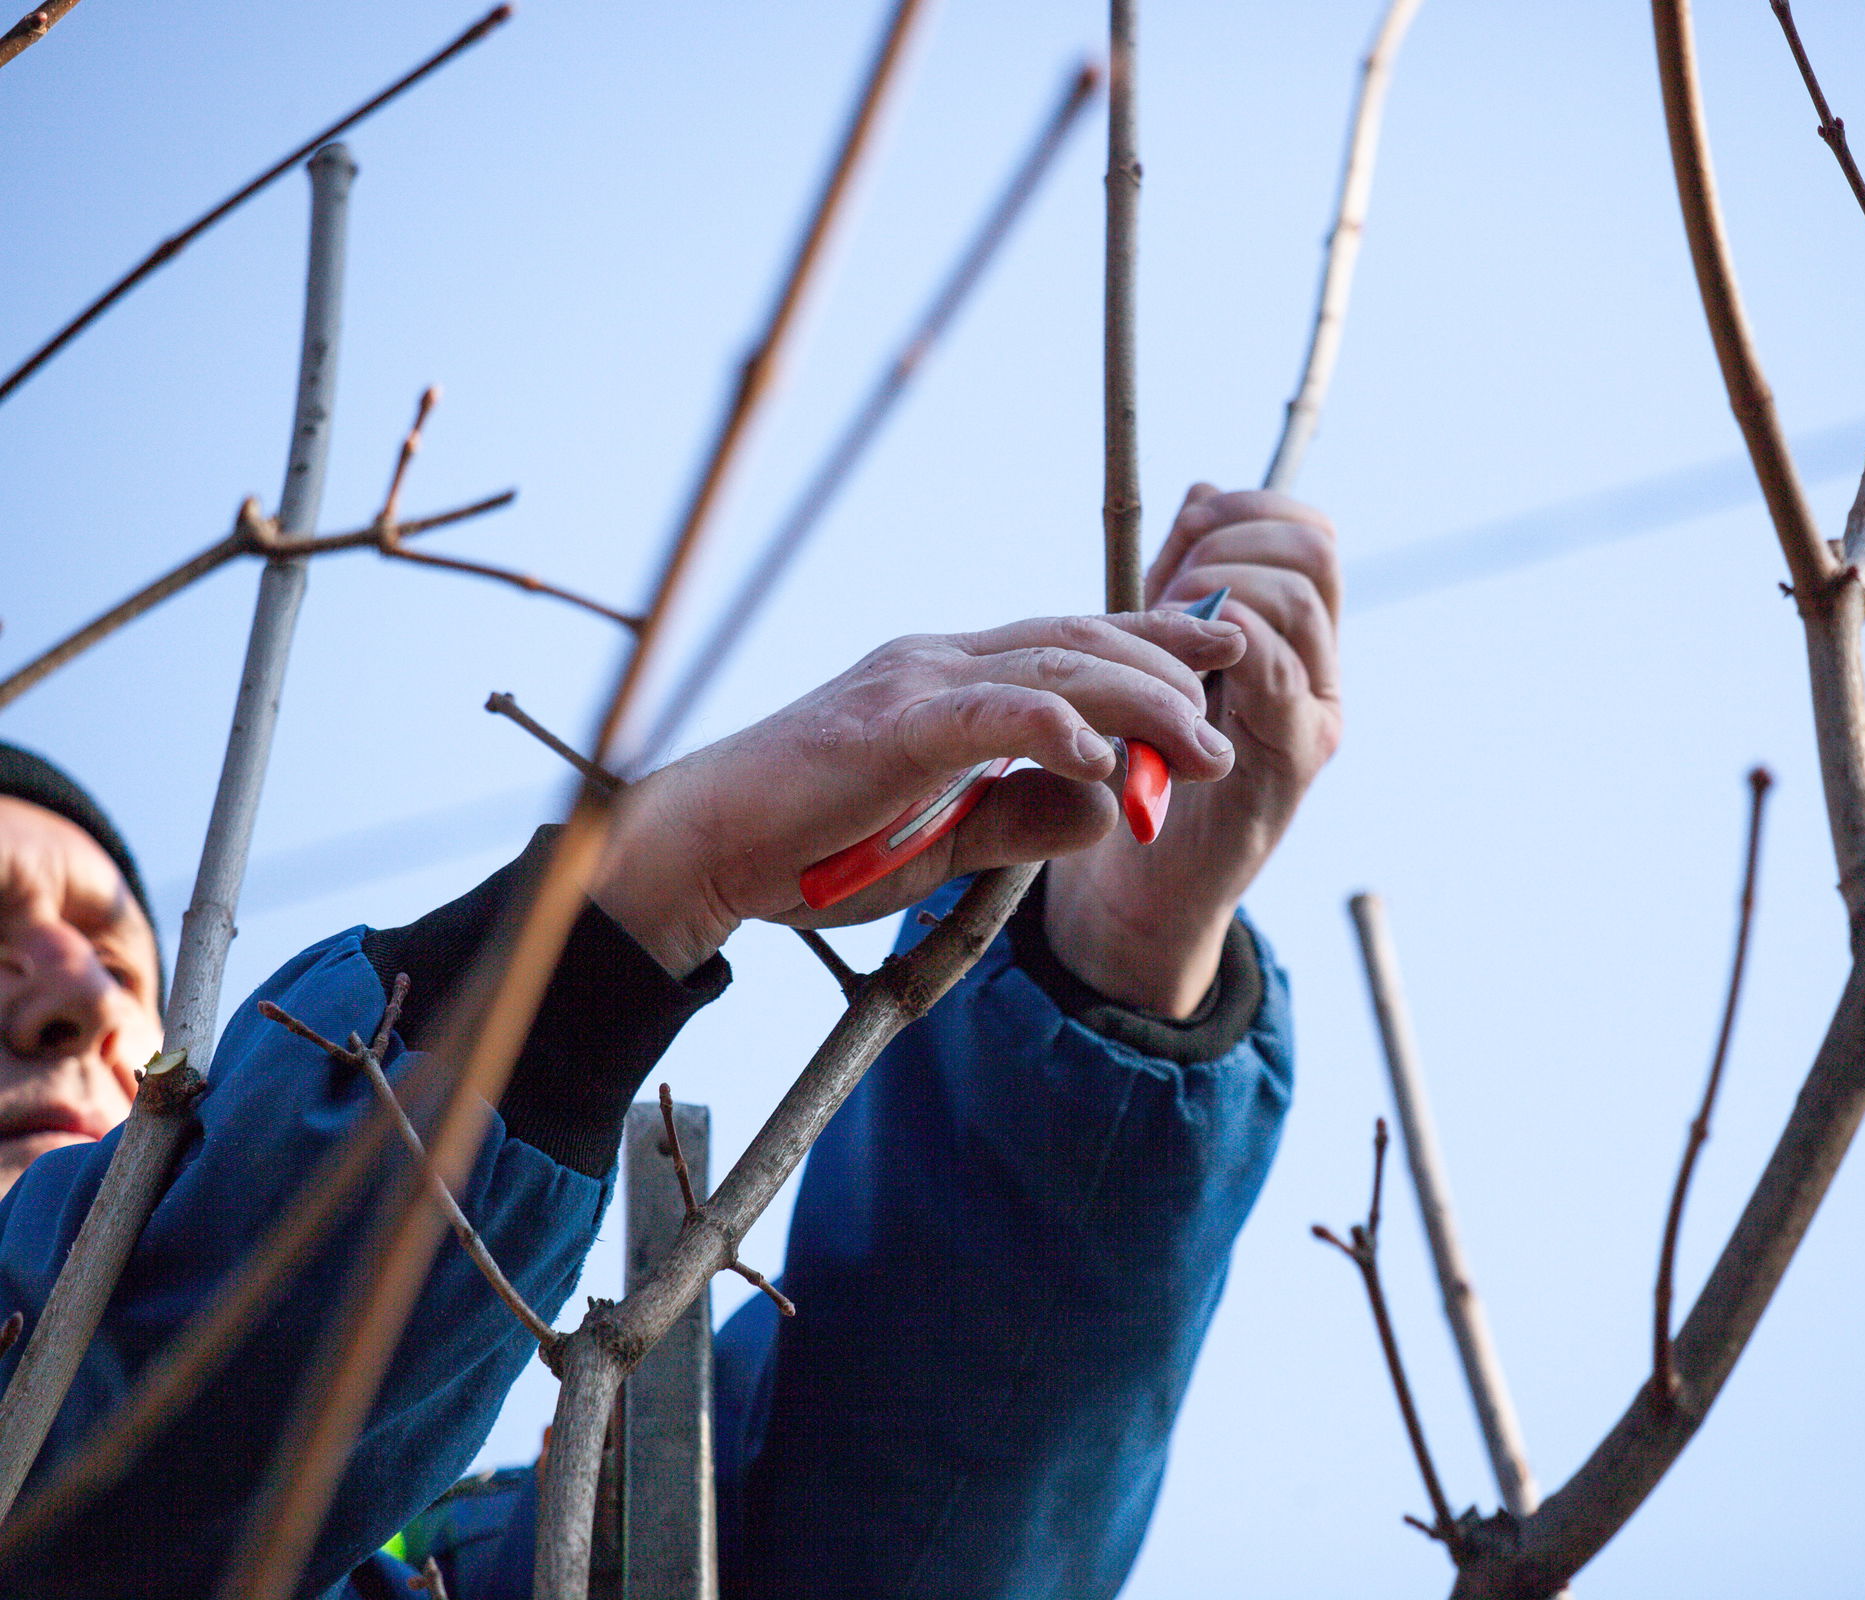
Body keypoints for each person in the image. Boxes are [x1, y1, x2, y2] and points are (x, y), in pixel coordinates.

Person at [0, 485, 1341, 1599]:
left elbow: (899, 1521)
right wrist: (640, 891)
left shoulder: (485, 1566)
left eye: (117, 953)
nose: (74, 991)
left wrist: (1107, 964)